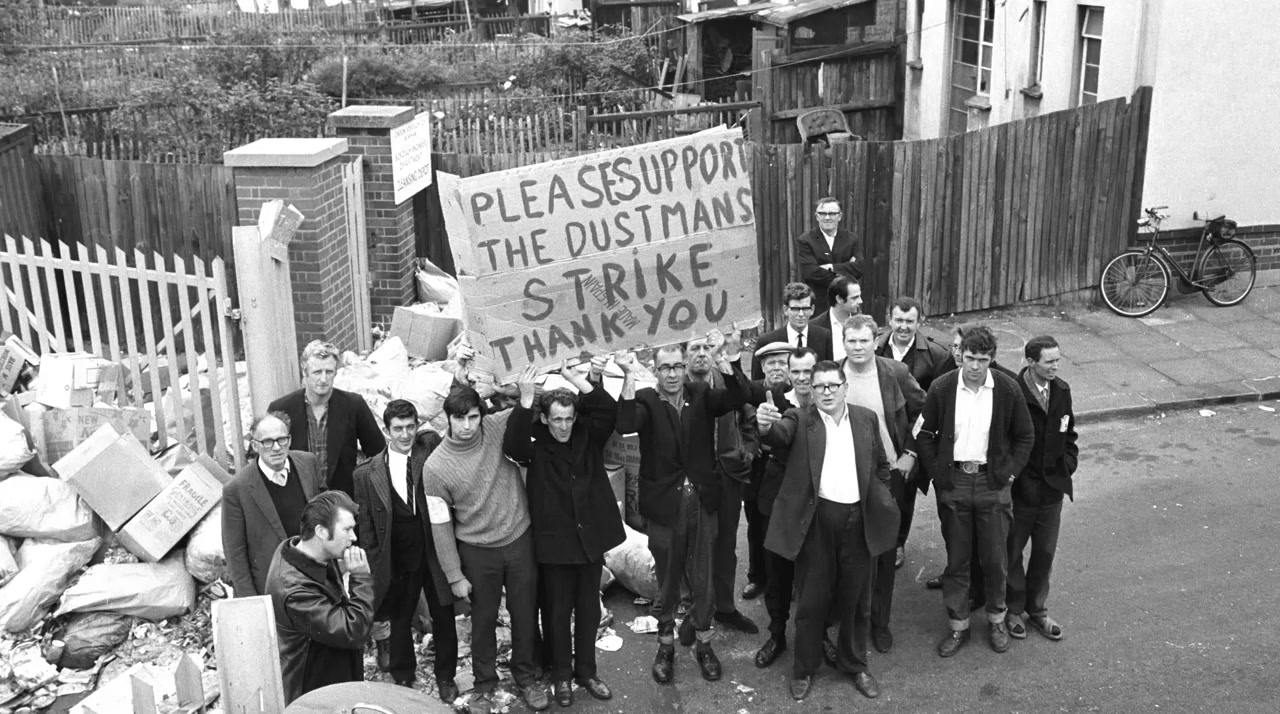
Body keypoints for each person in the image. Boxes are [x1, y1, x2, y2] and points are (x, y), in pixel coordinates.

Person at [756, 360, 898, 701]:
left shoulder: (866, 418)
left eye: (833, 385)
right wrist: (764, 425)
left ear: (845, 387)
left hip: (858, 522)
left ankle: (855, 664)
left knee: (857, 600)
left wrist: (881, 498)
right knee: (812, 601)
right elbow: (778, 435)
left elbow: (880, 465)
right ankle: (804, 669)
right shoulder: (799, 418)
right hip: (818, 523)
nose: (827, 392)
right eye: (819, 386)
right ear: (812, 389)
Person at [614, 329, 748, 684]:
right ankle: (665, 646)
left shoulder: (700, 394)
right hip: (664, 507)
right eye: (665, 368)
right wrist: (628, 374)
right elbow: (624, 424)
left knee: (703, 576)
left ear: (685, 366)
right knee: (668, 578)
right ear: (655, 370)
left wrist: (723, 357)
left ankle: (704, 643)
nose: (672, 374)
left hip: (702, 501)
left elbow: (738, 397)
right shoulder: (645, 399)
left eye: (677, 366)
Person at [503, 357, 621, 708]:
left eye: (569, 419)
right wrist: (526, 398)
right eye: (557, 419)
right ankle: (561, 677)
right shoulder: (535, 441)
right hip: (555, 545)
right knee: (556, 614)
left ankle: (587, 672)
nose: (564, 426)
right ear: (545, 418)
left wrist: (574, 377)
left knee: (589, 611)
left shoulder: (587, 434)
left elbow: (607, 410)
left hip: (590, 541)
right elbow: (513, 446)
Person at [424, 386, 549, 712]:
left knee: (524, 615)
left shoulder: (496, 427)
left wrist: (514, 387)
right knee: (482, 622)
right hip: (477, 551)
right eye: (459, 419)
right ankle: (484, 685)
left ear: (482, 415)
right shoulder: (435, 468)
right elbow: (440, 525)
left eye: (473, 417)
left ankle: (525, 677)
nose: (467, 426)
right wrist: (454, 575)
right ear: (448, 419)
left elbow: (535, 404)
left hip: (518, 539)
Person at [916, 327, 1034, 658]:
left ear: (992, 359)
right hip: (954, 483)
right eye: (969, 358)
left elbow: (1025, 436)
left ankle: (996, 620)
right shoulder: (942, 387)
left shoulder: (1007, 389)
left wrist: (1009, 474)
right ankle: (958, 625)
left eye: (982, 359)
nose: (975, 366)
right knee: (957, 560)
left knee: (995, 559)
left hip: (992, 485)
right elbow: (924, 433)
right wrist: (939, 475)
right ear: (961, 355)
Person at [351, 400, 459, 703]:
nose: (405, 434)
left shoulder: (428, 449)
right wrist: (375, 566)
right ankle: (403, 676)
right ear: (386, 430)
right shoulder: (366, 473)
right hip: (397, 556)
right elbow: (366, 525)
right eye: (397, 429)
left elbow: (445, 431)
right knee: (399, 618)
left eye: (410, 427)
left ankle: (446, 677)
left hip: (434, 551)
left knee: (444, 615)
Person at [838, 315, 925, 654]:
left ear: (876, 341)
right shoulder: (831, 375)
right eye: (852, 340)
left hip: (887, 476)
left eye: (864, 340)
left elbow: (925, 411)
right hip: (844, 478)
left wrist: (910, 453)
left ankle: (880, 622)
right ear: (843, 343)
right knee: (849, 553)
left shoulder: (895, 373)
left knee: (885, 553)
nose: (858, 347)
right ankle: (849, 620)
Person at [265, 490, 376, 705]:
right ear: (322, 532)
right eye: (347, 529)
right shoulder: (294, 591)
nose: (354, 537)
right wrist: (361, 578)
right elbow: (353, 632)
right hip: (314, 690)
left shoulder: (306, 552)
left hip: (332, 669)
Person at [686, 333, 759, 640]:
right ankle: (694, 611)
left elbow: (748, 414)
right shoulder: (676, 385)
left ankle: (726, 607)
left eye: (707, 347)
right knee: (695, 547)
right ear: (684, 355)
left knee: (726, 545)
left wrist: (748, 451)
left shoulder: (724, 380)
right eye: (695, 348)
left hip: (729, 474)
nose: (702, 353)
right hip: (693, 481)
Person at [1006, 336, 1078, 643]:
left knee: (1045, 553)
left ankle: (1037, 610)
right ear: (1031, 362)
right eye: (1049, 362)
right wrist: (1014, 478)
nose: (1055, 367)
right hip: (1022, 492)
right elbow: (1004, 441)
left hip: (1052, 491)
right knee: (1012, 553)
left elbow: (1069, 433)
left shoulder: (1061, 390)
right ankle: (1013, 610)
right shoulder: (1014, 393)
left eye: (1057, 360)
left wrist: (1068, 464)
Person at [749, 346, 817, 669]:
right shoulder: (777, 401)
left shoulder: (829, 400)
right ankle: (777, 634)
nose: (802, 378)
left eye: (808, 371)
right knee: (777, 574)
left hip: (817, 502)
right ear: (789, 373)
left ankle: (819, 635)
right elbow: (779, 432)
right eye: (797, 371)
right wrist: (764, 427)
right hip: (777, 499)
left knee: (815, 574)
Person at [874, 296, 955, 567]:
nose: (903, 327)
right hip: (878, 429)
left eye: (910, 321)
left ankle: (897, 542)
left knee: (904, 492)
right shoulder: (873, 347)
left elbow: (933, 408)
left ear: (920, 321)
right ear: (889, 319)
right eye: (898, 320)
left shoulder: (937, 355)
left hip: (913, 433)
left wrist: (911, 451)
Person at [223, 412, 324, 598]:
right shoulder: (237, 488)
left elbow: (326, 515)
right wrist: (252, 601)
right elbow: (235, 553)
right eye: (268, 442)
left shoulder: (308, 463)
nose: (276, 448)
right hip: (273, 585)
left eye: (281, 440)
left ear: (289, 440)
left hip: (315, 577)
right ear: (255, 446)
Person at [269, 340, 386, 497]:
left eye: (329, 372)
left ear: (336, 372)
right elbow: (267, 460)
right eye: (317, 372)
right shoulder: (282, 408)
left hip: (342, 500)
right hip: (297, 501)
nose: (323, 379)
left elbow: (378, 453)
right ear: (304, 372)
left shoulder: (353, 405)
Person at [741, 342, 793, 602]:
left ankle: (788, 581)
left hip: (787, 470)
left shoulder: (798, 391)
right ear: (762, 366)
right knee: (756, 525)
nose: (777, 368)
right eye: (771, 363)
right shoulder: (753, 390)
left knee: (788, 526)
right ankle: (757, 576)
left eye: (782, 363)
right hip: (758, 468)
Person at [752, 283, 832, 381]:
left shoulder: (824, 337)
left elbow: (829, 374)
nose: (801, 314)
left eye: (805, 308)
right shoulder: (767, 341)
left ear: (812, 309)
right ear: (785, 310)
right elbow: (757, 381)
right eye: (795, 309)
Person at [795, 197, 862, 314]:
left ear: (839, 216)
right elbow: (811, 272)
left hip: (847, 302)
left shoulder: (852, 239)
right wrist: (845, 271)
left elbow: (859, 267)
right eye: (822, 213)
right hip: (819, 303)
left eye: (832, 213)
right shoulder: (806, 240)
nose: (827, 217)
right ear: (817, 216)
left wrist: (832, 267)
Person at [811, 277, 864, 362]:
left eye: (859, 296)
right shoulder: (815, 327)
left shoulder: (864, 324)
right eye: (854, 298)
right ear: (839, 299)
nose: (860, 301)